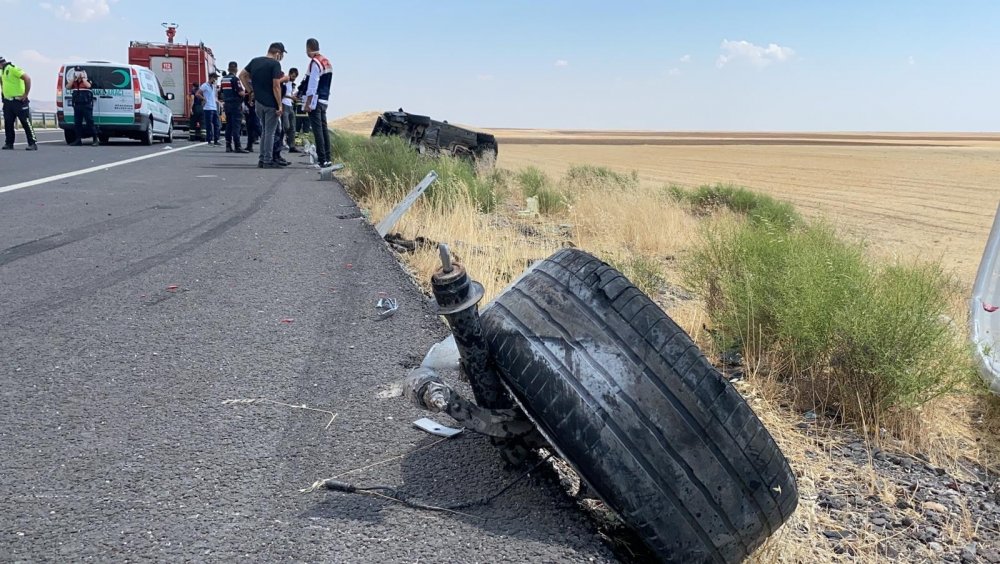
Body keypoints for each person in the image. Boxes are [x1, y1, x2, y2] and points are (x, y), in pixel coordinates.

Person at [239, 42, 285, 169]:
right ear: (277, 53)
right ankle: (267, 160)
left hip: (259, 103)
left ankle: (262, 159)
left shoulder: (255, 61)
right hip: (271, 103)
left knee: (264, 131)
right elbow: (276, 86)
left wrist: (250, 91)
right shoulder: (275, 64)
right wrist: (279, 105)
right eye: (280, 55)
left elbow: (241, 75)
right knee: (270, 132)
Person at [302, 38, 333, 167]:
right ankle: (327, 157)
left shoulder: (315, 62)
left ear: (308, 48)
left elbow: (313, 84)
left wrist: (308, 102)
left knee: (317, 130)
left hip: (315, 100)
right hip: (324, 99)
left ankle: (322, 160)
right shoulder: (326, 61)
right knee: (324, 129)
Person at [1, 56, 38, 151]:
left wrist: (25, 94)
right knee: (8, 123)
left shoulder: (13, 69)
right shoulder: (2, 72)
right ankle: (9, 143)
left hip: (19, 101)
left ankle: (32, 143)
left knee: (26, 122)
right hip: (8, 102)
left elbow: (27, 78)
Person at [220, 61, 246, 153]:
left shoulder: (223, 79)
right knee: (236, 126)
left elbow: (221, 93)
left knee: (228, 125)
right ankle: (237, 146)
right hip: (235, 104)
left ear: (228, 69)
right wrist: (247, 93)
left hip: (227, 104)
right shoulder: (235, 79)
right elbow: (241, 93)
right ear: (236, 69)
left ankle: (228, 145)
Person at [68, 67, 98, 146]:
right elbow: (67, 87)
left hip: (86, 105)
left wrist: (83, 78)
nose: (78, 74)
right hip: (77, 105)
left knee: (90, 122)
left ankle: (95, 139)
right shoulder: (74, 82)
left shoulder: (87, 80)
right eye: (77, 72)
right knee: (77, 123)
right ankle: (78, 140)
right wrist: (73, 79)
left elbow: (88, 86)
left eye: (80, 72)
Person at [196, 72, 221, 145]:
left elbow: (214, 97)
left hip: (214, 107)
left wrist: (218, 102)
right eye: (215, 78)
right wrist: (203, 98)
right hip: (207, 108)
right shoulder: (205, 85)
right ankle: (209, 139)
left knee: (217, 124)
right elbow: (197, 94)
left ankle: (216, 140)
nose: (216, 79)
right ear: (211, 78)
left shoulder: (214, 86)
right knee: (209, 125)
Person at [281, 67, 299, 152]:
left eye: (295, 77)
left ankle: (292, 146)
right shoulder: (284, 81)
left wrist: (293, 97)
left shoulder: (291, 84)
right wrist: (291, 97)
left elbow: (289, 93)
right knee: (286, 125)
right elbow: (282, 94)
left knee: (292, 126)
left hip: (290, 104)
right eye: (293, 76)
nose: (294, 78)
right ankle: (281, 142)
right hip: (284, 104)